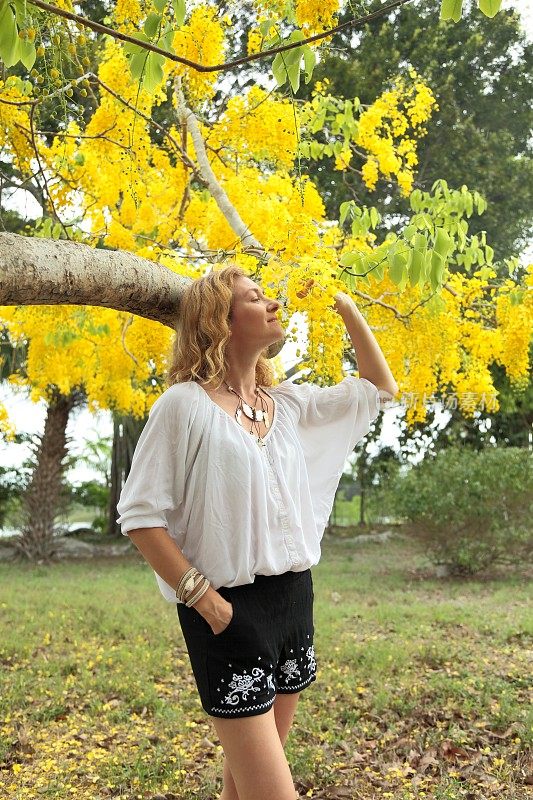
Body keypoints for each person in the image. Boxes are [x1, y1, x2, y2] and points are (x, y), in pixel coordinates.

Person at [116, 264, 398, 800]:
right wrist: (209, 604)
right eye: (253, 298)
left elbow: (380, 389)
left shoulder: (287, 405)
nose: (271, 305)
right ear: (221, 320)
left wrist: (343, 303)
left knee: (243, 791)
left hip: (293, 603)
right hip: (227, 612)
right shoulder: (183, 406)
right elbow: (140, 515)